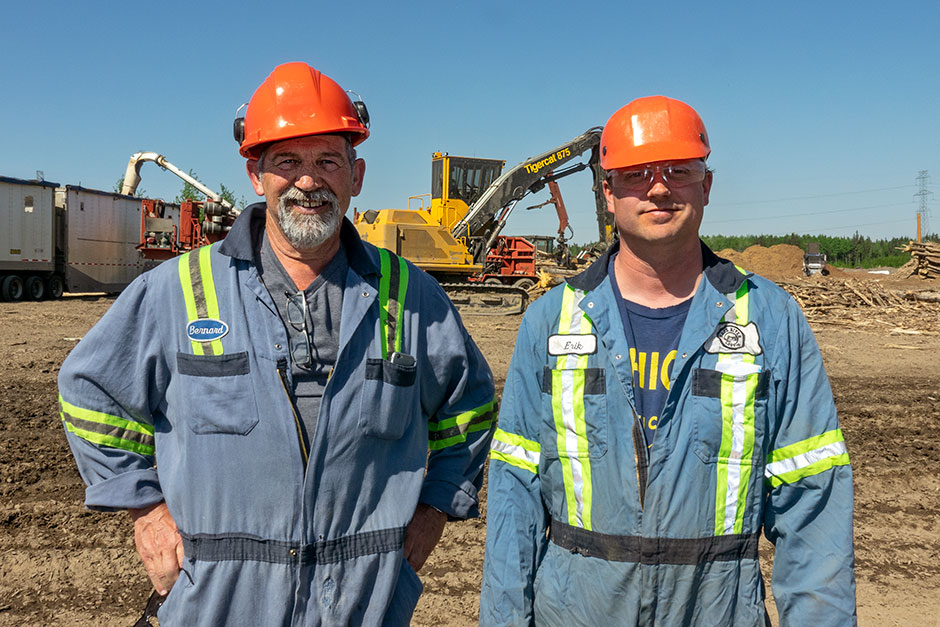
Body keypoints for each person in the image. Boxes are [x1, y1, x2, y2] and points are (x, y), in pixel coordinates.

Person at [58, 62, 496, 626]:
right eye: (287, 161)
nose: (308, 181)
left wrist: (436, 507)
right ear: (256, 175)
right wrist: (146, 509)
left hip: (364, 601)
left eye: (327, 161)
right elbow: (89, 390)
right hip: (219, 597)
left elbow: (470, 405)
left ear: (356, 176)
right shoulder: (177, 290)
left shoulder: (412, 296)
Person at [479, 96, 856, 625]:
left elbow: (814, 500)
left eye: (678, 171)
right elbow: (513, 497)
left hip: (717, 607)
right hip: (578, 610)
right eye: (635, 174)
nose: (658, 188)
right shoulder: (550, 322)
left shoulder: (770, 320)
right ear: (608, 193)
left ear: (706, 185)